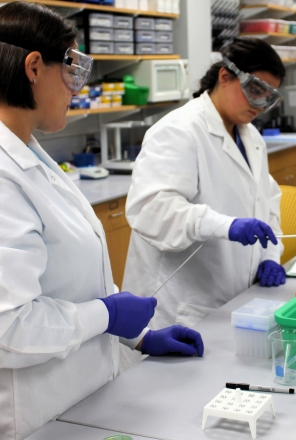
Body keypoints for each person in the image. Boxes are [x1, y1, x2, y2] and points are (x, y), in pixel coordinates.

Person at [0, 3, 203, 439]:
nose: (76, 88)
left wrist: (139, 336)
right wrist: (107, 316)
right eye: (72, 69)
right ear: (34, 67)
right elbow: (9, 327)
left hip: (82, 401)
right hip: (34, 417)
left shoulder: (29, 153)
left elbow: (75, 284)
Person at [123, 38, 286, 329]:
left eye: (269, 97)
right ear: (225, 77)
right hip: (178, 310)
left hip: (233, 298)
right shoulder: (178, 131)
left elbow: (267, 203)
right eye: (254, 90)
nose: (260, 105)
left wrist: (270, 255)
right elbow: (151, 211)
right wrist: (225, 226)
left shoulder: (251, 138)